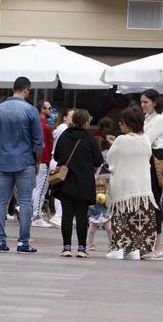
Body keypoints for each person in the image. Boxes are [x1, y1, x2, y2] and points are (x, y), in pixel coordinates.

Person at [0, 76, 43, 253]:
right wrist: (36, 162)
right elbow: (38, 142)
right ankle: (23, 243)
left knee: (1, 202)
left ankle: (0, 241)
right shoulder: (30, 111)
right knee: (26, 202)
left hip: (4, 161)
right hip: (25, 161)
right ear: (26, 89)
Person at [105, 106, 158, 260]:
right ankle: (133, 249)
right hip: (143, 188)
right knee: (137, 219)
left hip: (124, 188)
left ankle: (118, 248)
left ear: (127, 123)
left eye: (121, 122)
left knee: (122, 218)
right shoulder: (146, 139)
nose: (120, 125)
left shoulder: (121, 140)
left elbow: (110, 160)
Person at [51, 109, 102, 258]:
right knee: (81, 216)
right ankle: (81, 248)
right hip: (84, 184)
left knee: (67, 215)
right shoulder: (90, 138)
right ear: (86, 122)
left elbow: (58, 155)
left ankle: (66, 247)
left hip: (66, 182)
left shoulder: (64, 136)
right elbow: (98, 160)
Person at [139, 89, 163, 258]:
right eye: (141, 102)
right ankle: (148, 244)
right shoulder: (146, 118)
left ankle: (157, 246)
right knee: (148, 201)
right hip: (147, 160)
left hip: (156, 160)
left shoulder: (159, 119)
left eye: (146, 102)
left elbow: (147, 139)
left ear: (155, 102)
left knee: (154, 200)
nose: (143, 105)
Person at [30, 99, 55, 229]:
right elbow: (44, 145)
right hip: (43, 160)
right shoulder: (44, 125)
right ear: (42, 109)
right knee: (41, 189)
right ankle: (37, 216)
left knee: (35, 189)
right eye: (48, 108)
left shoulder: (36, 123)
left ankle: (32, 214)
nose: (50, 110)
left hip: (36, 160)